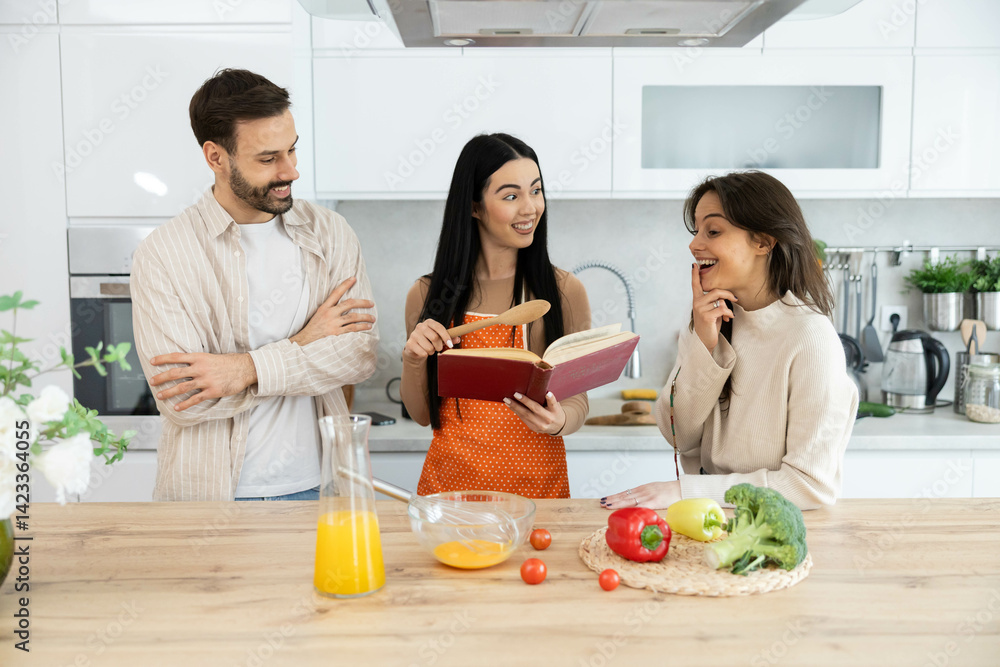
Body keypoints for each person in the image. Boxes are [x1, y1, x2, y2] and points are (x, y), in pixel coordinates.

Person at [131, 69, 378, 501]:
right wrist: (306, 341)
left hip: (320, 490)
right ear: (216, 157)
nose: (291, 171)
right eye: (268, 159)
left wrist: (243, 370)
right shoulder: (163, 254)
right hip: (209, 499)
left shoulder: (331, 232)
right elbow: (184, 400)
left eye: (292, 150)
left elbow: (358, 355)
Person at [601, 171, 857, 511]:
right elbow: (678, 435)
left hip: (771, 532)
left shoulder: (810, 337)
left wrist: (688, 491)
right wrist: (703, 346)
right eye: (696, 231)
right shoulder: (709, 320)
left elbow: (809, 485)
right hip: (708, 523)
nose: (694, 245)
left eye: (713, 231)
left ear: (763, 242)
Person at [400, 133, 591, 499]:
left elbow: (577, 399)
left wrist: (558, 421)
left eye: (536, 190)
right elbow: (422, 414)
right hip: (450, 496)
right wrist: (412, 359)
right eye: (511, 196)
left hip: (538, 495)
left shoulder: (564, 291)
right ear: (474, 207)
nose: (530, 208)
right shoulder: (426, 294)